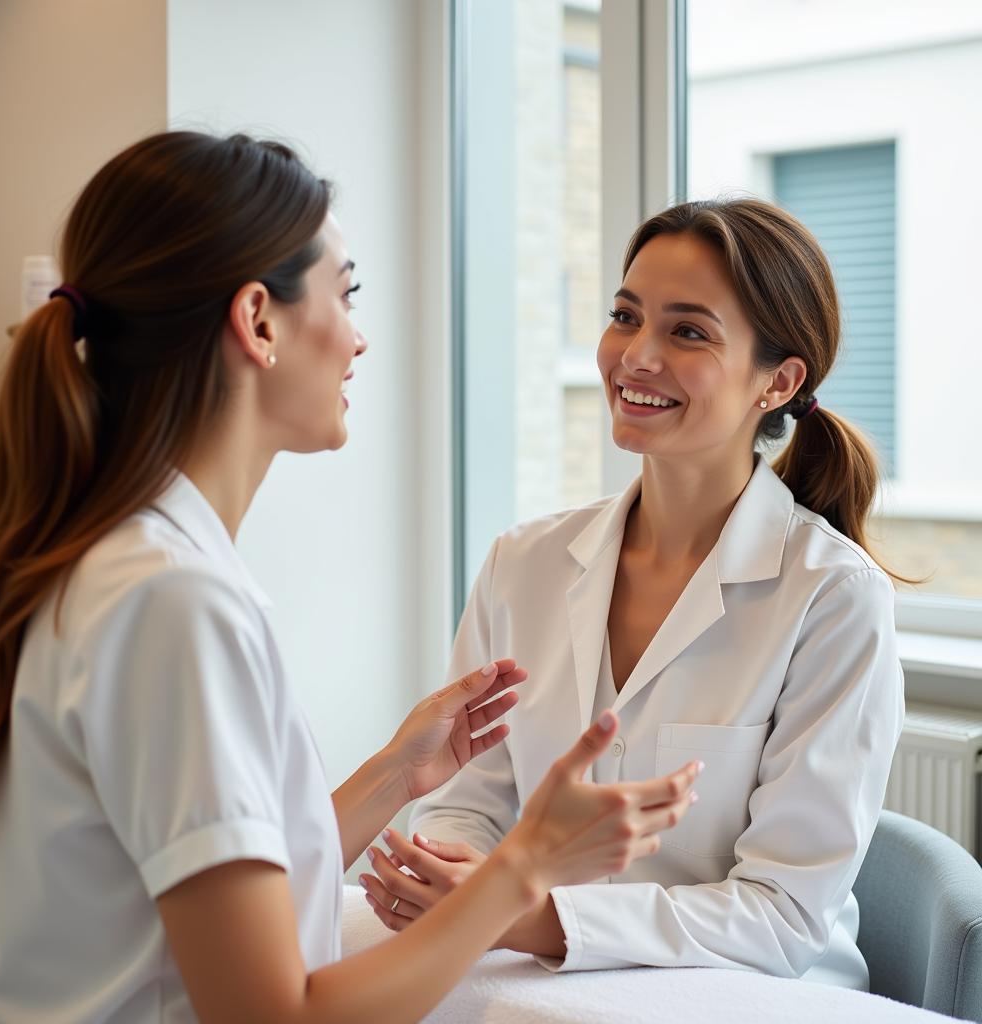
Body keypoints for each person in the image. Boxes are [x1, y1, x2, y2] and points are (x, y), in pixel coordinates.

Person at [0, 132, 702, 1023]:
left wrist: (395, 771)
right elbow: (278, 1016)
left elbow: (207, 876)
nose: (358, 336)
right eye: (346, 294)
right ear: (259, 322)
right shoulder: (171, 603)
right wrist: (527, 865)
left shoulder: (116, 561)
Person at [365, 198, 906, 990]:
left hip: (746, 997)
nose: (636, 356)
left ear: (779, 381)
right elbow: (468, 800)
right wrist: (452, 868)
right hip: (543, 981)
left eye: (688, 331)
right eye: (626, 316)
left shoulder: (834, 598)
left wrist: (522, 914)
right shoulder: (524, 564)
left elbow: (784, 914)